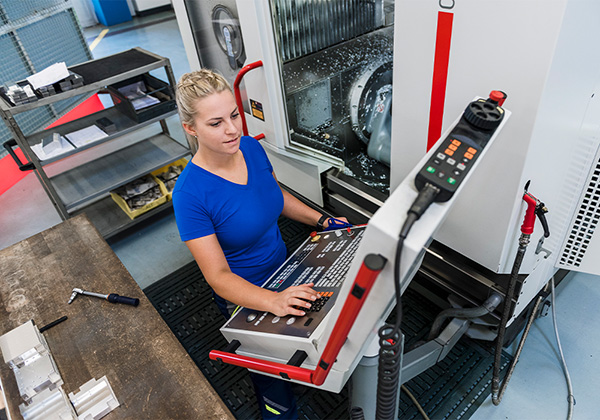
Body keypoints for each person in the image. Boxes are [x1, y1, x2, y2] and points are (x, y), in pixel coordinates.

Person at [172, 69, 348, 419]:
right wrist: (273, 301)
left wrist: (321, 220)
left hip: (287, 269)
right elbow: (218, 276)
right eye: (216, 123)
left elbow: (274, 196)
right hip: (246, 295)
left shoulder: (250, 148)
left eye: (234, 115)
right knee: (274, 388)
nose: (232, 129)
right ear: (190, 128)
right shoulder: (189, 195)